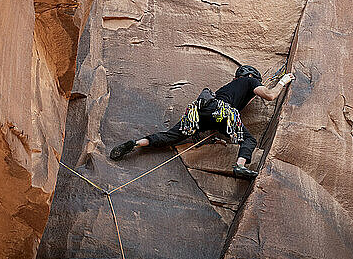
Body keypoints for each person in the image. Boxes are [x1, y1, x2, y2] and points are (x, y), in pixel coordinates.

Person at [109, 65, 295, 179]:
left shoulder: (227, 87)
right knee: (249, 140)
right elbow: (270, 96)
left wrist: (215, 136)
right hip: (223, 112)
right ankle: (240, 166)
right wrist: (283, 81)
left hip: (200, 112)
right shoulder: (250, 82)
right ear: (251, 76)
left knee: (170, 136)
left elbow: (218, 116)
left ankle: (135, 144)